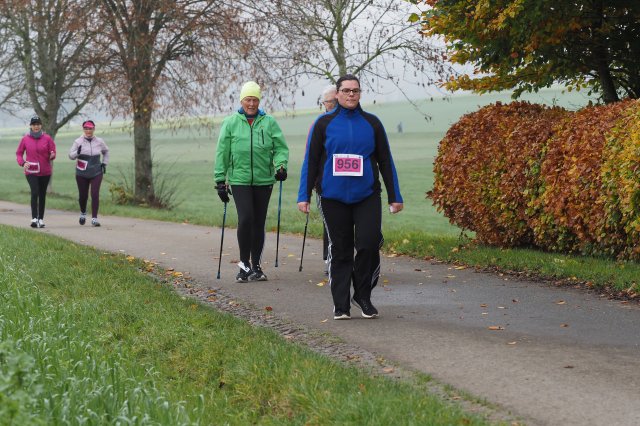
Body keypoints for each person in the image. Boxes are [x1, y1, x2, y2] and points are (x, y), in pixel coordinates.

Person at [297, 74, 404, 320]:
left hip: (367, 195)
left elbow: (385, 160)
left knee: (369, 243)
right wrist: (304, 195)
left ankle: (363, 295)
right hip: (332, 196)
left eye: (355, 90)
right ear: (337, 94)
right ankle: (341, 304)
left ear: (360, 94)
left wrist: (394, 196)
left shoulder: (372, 123)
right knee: (341, 250)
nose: (351, 94)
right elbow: (310, 161)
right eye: (346, 90)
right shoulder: (323, 123)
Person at [214, 81, 289, 282]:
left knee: (258, 222)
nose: (252, 104)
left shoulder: (269, 122)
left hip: (264, 179)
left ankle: (255, 266)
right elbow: (222, 152)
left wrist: (281, 166)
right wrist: (220, 180)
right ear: (242, 100)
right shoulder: (230, 123)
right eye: (248, 99)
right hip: (239, 179)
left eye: (255, 100)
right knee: (246, 218)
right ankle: (243, 266)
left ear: (259, 101)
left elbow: (280, 148)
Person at [15, 115, 57, 228]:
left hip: (45, 172)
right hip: (31, 171)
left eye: (38, 124)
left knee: (42, 194)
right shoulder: (25, 139)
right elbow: (19, 153)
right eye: (34, 125)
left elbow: (53, 151)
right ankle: (34, 218)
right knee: (35, 192)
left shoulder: (47, 138)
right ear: (31, 126)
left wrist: (52, 155)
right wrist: (22, 163)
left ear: (41, 125)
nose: (36, 126)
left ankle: (41, 219)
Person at [68, 120, 109, 227]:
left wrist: (104, 163)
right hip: (81, 173)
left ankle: (94, 218)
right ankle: (83, 213)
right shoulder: (78, 141)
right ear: (83, 129)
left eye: (90, 128)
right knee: (83, 196)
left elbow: (106, 151)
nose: (88, 131)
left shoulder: (99, 141)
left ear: (94, 129)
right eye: (86, 128)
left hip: (96, 171)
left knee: (95, 194)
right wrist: (77, 153)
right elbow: (70, 156)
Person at [319, 85, 337, 274]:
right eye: (329, 102)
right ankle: (329, 259)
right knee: (329, 221)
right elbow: (312, 155)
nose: (333, 105)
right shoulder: (320, 124)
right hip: (325, 181)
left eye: (335, 101)